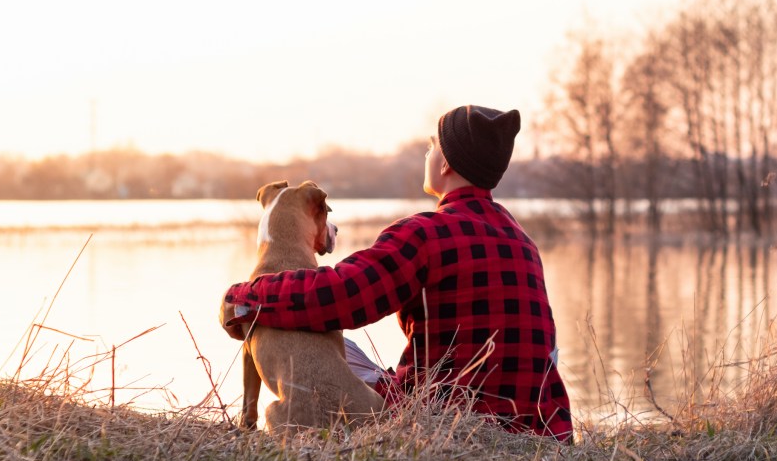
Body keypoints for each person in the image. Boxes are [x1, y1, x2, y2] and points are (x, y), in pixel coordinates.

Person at [220, 105, 573, 441]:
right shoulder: (522, 240)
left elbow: (340, 297)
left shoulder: (423, 233)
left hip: (442, 417)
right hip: (538, 426)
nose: (426, 155)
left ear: (447, 162)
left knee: (340, 345)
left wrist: (244, 298)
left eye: (431, 146)